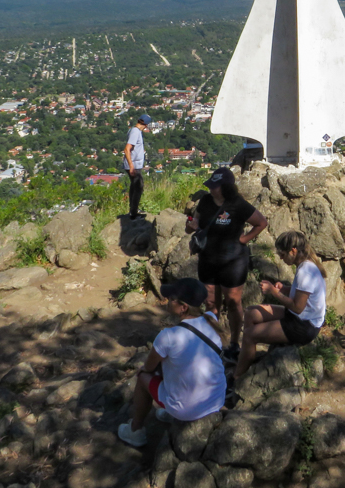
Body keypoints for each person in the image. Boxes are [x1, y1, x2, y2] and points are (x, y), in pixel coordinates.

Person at [118, 278, 226, 447]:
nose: (168, 300)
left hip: (186, 409)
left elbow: (149, 367)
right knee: (173, 363)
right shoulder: (211, 318)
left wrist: (143, 369)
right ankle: (168, 410)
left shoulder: (169, 335)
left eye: (172, 298)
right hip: (216, 399)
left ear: (184, 308)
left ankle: (135, 431)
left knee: (143, 377)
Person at [185, 167, 268, 362]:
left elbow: (261, 222)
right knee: (211, 302)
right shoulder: (205, 201)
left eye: (215, 186)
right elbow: (194, 223)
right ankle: (214, 340)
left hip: (233, 262)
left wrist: (244, 240)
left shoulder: (238, 204)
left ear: (226, 187)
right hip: (207, 259)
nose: (212, 189)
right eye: (211, 185)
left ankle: (234, 343)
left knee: (233, 302)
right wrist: (191, 226)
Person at [233, 231, 326, 379]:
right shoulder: (305, 265)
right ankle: (248, 355)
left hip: (304, 326)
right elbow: (303, 294)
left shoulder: (305, 272)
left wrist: (273, 292)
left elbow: (297, 307)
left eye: (282, 254)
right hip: (298, 317)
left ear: (293, 251)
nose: (281, 259)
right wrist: (284, 289)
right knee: (250, 312)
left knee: (249, 335)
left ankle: (237, 377)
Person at [123, 114, 152, 220]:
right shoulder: (135, 132)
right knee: (139, 186)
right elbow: (127, 149)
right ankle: (134, 213)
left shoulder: (133, 130)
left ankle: (133, 210)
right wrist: (131, 166)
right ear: (146, 124)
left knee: (134, 186)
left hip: (134, 164)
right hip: (134, 164)